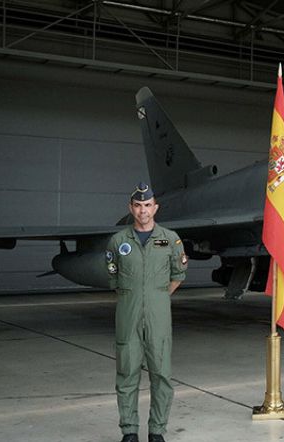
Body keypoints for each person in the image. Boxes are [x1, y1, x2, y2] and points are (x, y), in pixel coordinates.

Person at [106, 182, 188, 442]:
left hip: (158, 318)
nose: (143, 211)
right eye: (138, 205)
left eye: (148, 205)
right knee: (126, 374)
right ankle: (129, 431)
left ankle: (157, 431)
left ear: (156, 208)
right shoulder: (118, 241)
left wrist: (156, 297)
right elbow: (115, 280)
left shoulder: (170, 239)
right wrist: (136, 298)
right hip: (128, 317)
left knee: (161, 375)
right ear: (131, 208)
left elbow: (177, 276)